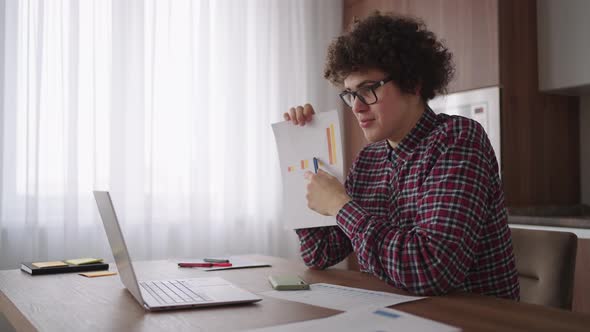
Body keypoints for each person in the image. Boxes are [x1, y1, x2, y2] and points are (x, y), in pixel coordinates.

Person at [283, 12, 519, 300]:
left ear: (413, 82)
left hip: (476, 321)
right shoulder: (370, 161)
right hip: (396, 314)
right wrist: (304, 151)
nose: (356, 107)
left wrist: (340, 205)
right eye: (349, 94)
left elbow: (431, 269)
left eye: (367, 90)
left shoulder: (457, 139)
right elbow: (319, 253)